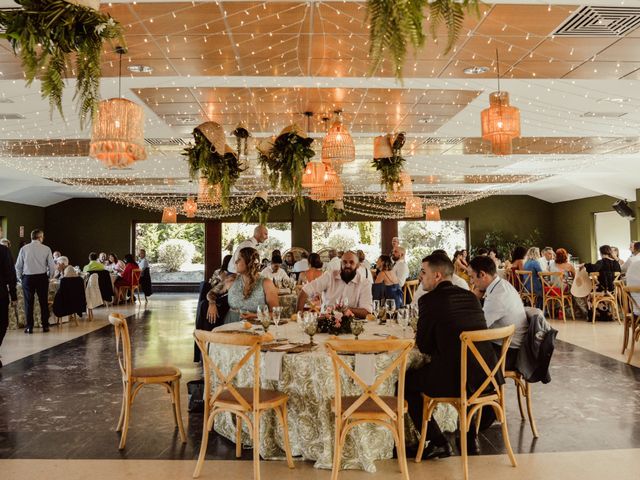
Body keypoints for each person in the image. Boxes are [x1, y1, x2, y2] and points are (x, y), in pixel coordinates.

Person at [404, 253, 502, 459]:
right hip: (487, 376)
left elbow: (424, 346)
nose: (421, 277)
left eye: (424, 272)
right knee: (460, 364)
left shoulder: (429, 301)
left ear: (437, 276)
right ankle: (469, 437)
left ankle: (438, 442)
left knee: (406, 383)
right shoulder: (471, 296)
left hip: (458, 380)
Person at [468, 256, 528, 370]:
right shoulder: (501, 285)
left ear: (482, 274)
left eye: (472, 277)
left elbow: (477, 327)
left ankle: (481, 387)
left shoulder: (498, 296)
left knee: (459, 351)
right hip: (510, 346)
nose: (471, 282)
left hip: (509, 354)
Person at [208, 247, 278, 324]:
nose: (236, 262)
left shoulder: (266, 283)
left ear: (249, 262)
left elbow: (275, 313)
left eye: (239, 259)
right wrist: (212, 303)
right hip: (231, 326)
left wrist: (255, 315)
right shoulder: (231, 279)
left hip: (256, 327)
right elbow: (211, 293)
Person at [297, 251, 373, 317]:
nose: (347, 265)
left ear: (357, 265)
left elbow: (367, 311)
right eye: (344, 262)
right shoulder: (329, 276)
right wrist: (299, 315)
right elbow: (305, 291)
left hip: (351, 325)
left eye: (351, 262)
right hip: (326, 322)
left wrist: (346, 309)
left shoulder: (364, 283)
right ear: (340, 263)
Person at [15, 229, 56, 334]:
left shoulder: (24, 249)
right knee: (43, 302)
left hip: (27, 278)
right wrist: (50, 276)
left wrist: (20, 278)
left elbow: (18, 266)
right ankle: (45, 326)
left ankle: (29, 327)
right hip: (42, 278)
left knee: (28, 303)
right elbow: (52, 265)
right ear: (40, 237)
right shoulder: (46, 248)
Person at [0, 242, 17, 367]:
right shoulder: (3, 251)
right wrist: (14, 295)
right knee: (2, 323)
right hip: (0, 293)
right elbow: (11, 274)